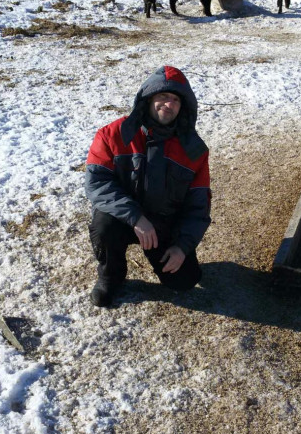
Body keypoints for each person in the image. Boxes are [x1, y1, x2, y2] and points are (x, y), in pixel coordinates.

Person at [85, 65, 211, 307]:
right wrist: (136, 217)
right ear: (148, 98)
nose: (168, 104)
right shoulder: (112, 134)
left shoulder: (194, 151)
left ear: (183, 107)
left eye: (175, 99)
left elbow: (198, 208)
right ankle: (112, 275)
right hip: (124, 219)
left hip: (163, 223)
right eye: (162, 96)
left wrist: (182, 247)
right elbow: (97, 183)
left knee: (185, 281)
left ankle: (163, 255)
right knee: (103, 224)